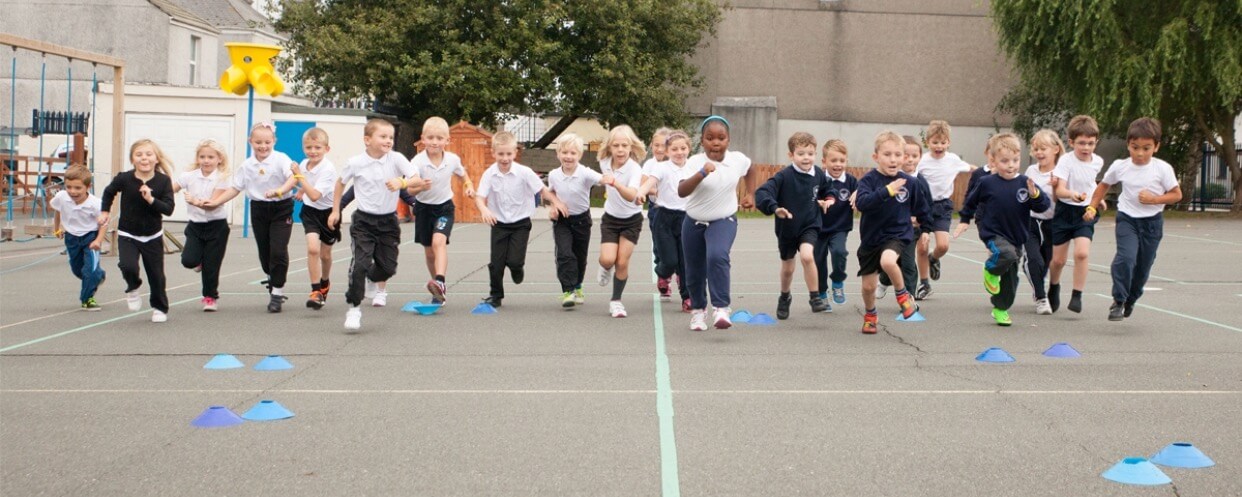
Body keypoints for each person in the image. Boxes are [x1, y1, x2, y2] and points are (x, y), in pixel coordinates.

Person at [328, 119, 426, 331]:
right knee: (360, 264)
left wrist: (402, 182)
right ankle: (354, 309)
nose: (388, 141)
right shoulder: (356, 162)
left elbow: (417, 180)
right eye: (383, 136)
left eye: (391, 137)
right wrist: (336, 210)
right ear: (367, 140)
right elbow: (340, 183)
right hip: (364, 221)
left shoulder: (397, 159)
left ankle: (372, 279)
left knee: (388, 268)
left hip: (388, 222)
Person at [1086, 117, 1181, 321]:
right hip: (1127, 219)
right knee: (1125, 258)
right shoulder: (1121, 166)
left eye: (1146, 148)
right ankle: (1118, 300)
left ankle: (1131, 298)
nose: (1139, 153)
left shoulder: (1162, 169)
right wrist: (1092, 206)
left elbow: (1176, 194)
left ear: (1156, 147)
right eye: (1134, 147)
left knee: (1142, 268)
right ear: (1128, 144)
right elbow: (1103, 185)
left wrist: (1155, 199)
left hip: (1152, 223)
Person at [953, 133, 1051, 326]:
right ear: (994, 161)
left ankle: (1000, 308)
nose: (1011, 165)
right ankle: (990, 269)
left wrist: (1035, 195)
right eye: (1005, 161)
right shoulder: (987, 183)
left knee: (1011, 279)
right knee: (1005, 254)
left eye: (1015, 160)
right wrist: (965, 219)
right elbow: (971, 202)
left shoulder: (1025, 183)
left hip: (1017, 236)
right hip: (993, 233)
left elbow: (1043, 206)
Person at [676, 116, 762, 331]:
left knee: (717, 255)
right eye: (710, 138)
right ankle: (697, 312)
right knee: (694, 270)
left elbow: (751, 169)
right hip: (694, 221)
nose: (716, 142)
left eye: (721, 138)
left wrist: (751, 194)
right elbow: (682, 190)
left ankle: (721, 308)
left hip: (724, 219)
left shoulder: (737, 159)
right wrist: (702, 173)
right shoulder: (694, 162)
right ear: (702, 141)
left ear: (728, 140)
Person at [204, 122, 298, 312]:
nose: (263, 146)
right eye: (258, 142)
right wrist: (216, 202)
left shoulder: (281, 159)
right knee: (265, 254)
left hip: (281, 208)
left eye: (267, 142)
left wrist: (280, 191)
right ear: (250, 142)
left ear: (274, 141)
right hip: (259, 209)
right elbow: (235, 188)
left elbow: (294, 177)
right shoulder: (247, 165)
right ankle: (272, 277)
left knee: (278, 251)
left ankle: (277, 294)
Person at [474, 131, 568, 309]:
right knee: (496, 263)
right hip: (499, 223)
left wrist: (556, 202)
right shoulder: (489, 174)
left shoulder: (524, 172)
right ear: (493, 153)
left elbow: (542, 190)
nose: (505, 158)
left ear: (515, 153)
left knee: (514, 261)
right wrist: (484, 209)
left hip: (521, 224)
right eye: (500, 154)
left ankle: (517, 269)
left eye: (508, 154)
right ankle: (496, 296)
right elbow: (480, 197)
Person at [854, 131, 931, 334]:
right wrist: (887, 191)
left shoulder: (911, 183)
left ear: (904, 157)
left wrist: (926, 229)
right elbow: (862, 203)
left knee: (888, 261)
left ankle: (903, 295)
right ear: (876, 157)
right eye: (887, 154)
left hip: (896, 235)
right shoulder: (869, 180)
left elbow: (923, 209)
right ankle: (870, 314)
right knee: (869, 287)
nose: (893, 159)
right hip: (871, 239)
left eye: (898, 155)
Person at [754, 131, 833, 319]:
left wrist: (827, 199)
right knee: (788, 269)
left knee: (807, 256)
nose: (806, 158)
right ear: (791, 155)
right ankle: (784, 296)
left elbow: (826, 189)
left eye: (810, 153)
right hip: (788, 228)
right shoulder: (784, 176)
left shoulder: (819, 174)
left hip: (810, 225)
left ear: (816, 154)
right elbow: (763, 192)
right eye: (801, 153)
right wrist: (775, 208)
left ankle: (815, 297)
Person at [99, 139, 176, 322]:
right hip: (128, 233)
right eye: (139, 154)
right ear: (132, 159)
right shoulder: (124, 178)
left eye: (149, 154)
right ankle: (133, 287)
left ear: (156, 159)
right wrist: (105, 211)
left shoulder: (163, 181)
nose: (144, 158)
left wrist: (151, 199)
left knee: (156, 275)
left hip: (153, 235)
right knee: (128, 266)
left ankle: (159, 307)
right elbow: (109, 192)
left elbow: (169, 209)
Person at [406, 117, 475, 305]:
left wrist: (468, 186)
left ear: (447, 140)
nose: (434, 142)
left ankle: (440, 281)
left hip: (444, 207)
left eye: (439, 138)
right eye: (430, 138)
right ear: (423, 139)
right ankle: (437, 290)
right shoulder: (417, 162)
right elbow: (410, 190)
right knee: (429, 253)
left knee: (439, 242)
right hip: (423, 209)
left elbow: (463, 174)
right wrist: (419, 187)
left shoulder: (452, 160)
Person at [1049, 115, 1106, 313]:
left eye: (1090, 143)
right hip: (1065, 210)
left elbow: (1092, 183)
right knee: (1058, 260)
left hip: (1086, 211)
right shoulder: (1066, 161)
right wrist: (1072, 194)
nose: (1086, 148)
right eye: (1081, 143)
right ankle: (1054, 286)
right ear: (1072, 142)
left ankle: (1077, 295)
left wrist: (1097, 199)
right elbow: (1060, 190)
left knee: (1082, 253)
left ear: (1096, 143)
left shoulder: (1097, 161)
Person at [915, 120, 973, 298]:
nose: (939, 146)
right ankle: (924, 284)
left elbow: (971, 169)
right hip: (923, 206)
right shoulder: (922, 161)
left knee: (943, 245)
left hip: (943, 206)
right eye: (935, 142)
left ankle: (934, 259)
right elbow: (910, 176)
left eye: (942, 142)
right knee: (922, 247)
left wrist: (989, 171)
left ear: (948, 142)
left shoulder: (953, 160)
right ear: (928, 142)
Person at [636, 130, 693, 312]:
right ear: (667, 152)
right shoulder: (661, 167)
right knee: (669, 260)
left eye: (683, 148)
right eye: (674, 149)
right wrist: (641, 192)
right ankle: (662, 272)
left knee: (685, 261)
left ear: (688, 149)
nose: (679, 152)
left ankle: (687, 298)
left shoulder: (692, 167)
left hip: (686, 218)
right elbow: (649, 182)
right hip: (664, 217)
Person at [546, 133, 605, 307]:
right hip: (562, 221)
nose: (568, 157)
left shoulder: (585, 173)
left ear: (579, 155)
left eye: (573, 153)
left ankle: (577, 286)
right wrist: (553, 207)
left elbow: (601, 179)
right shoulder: (554, 175)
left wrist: (608, 179)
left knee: (580, 257)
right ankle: (568, 291)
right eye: (564, 152)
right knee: (564, 254)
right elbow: (551, 193)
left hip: (582, 221)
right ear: (558, 154)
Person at [173, 139, 231, 311]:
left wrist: (194, 201)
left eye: (211, 157)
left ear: (219, 159)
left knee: (212, 266)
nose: (206, 160)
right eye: (202, 157)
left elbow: (213, 203)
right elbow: (170, 189)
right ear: (197, 158)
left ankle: (210, 297)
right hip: (196, 226)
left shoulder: (223, 178)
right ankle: (198, 262)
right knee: (188, 260)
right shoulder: (188, 176)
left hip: (217, 226)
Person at [595, 125, 646, 318]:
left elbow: (632, 195)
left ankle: (616, 301)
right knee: (608, 259)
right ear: (610, 148)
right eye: (616, 145)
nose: (620, 150)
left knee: (622, 262)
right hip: (611, 219)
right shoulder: (604, 162)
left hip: (631, 220)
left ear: (631, 147)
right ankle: (604, 267)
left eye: (624, 145)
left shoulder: (634, 169)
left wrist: (615, 183)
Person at [288, 127, 340, 310]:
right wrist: (292, 190)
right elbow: (302, 183)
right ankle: (315, 290)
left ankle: (325, 282)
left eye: (317, 148)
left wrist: (301, 181)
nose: (313, 152)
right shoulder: (304, 164)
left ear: (327, 149)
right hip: (310, 212)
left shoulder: (328, 169)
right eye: (309, 148)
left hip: (327, 214)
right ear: (304, 148)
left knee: (325, 255)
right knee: (312, 249)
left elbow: (316, 194)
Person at [879, 136, 932, 301]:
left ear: (920, 157)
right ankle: (883, 280)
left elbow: (927, 206)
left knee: (908, 263)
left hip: (912, 231)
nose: (910, 159)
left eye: (914, 156)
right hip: (892, 229)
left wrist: (926, 229)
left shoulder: (920, 182)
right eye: (906, 155)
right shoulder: (890, 178)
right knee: (891, 261)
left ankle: (908, 299)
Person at [51, 164, 107, 311]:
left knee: (90, 270)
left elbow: (103, 224)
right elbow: (58, 211)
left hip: (90, 238)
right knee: (78, 270)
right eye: (69, 187)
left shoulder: (95, 203)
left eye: (77, 188)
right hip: (71, 238)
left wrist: (98, 241)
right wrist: (57, 228)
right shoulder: (61, 197)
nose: (72, 191)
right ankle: (99, 276)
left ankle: (87, 299)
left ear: (88, 187)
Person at [1022, 129, 1063, 315]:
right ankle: (1040, 296)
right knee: (1034, 259)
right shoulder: (1031, 171)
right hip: (1031, 222)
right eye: (1036, 149)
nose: (1039, 152)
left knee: (1047, 262)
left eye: (1043, 148)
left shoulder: (1061, 172)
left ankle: (1041, 286)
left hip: (1052, 224)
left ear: (1055, 149)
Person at [814, 139, 857, 306]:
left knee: (839, 252)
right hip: (817, 228)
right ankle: (822, 292)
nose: (838, 165)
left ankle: (837, 282)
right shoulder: (818, 180)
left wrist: (859, 193)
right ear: (824, 162)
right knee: (818, 261)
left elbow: (867, 189)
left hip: (839, 227)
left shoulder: (851, 181)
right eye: (833, 160)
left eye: (842, 161)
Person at [643, 127, 673, 299]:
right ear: (651, 146)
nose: (660, 149)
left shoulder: (677, 162)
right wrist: (656, 191)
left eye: (663, 145)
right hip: (657, 211)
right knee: (660, 246)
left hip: (678, 212)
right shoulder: (650, 164)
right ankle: (663, 275)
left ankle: (681, 276)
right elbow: (644, 184)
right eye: (656, 145)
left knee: (680, 248)